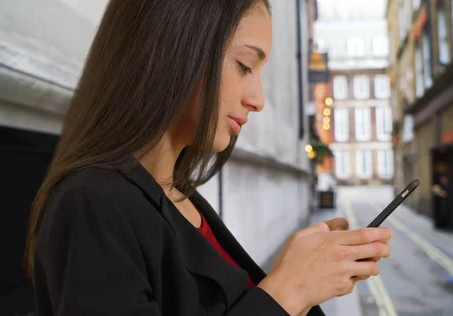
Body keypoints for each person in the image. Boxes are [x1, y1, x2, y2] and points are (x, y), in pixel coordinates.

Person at [23, 1, 394, 315]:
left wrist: (301, 274)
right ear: (174, 46)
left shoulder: (178, 193)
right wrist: (288, 290)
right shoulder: (91, 204)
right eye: (245, 66)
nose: (258, 100)